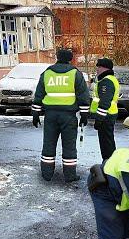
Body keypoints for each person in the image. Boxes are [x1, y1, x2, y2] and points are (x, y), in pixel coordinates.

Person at [31, 48, 90, 183]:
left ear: (57, 57)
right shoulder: (75, 74)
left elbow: (39, 94)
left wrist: (35, 113)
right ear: (70, 59)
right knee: (69, 146)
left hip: (50, 115)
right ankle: (69, 175)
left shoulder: (47, 73)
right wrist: (85, 115)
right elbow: (83, 96)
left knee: (48, 144)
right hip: (68, 116)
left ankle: (47, 174)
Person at [90, 58, 119, 161]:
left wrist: (99, 119)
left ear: (104, 68)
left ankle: (108, 164)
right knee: (108, 141)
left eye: (99, 67)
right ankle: (110, 162)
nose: (97, 69)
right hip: (108, 114)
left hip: (106, 116)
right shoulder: (108, 79)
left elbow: (104, 102)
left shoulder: (106, 81)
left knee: (106, 143)